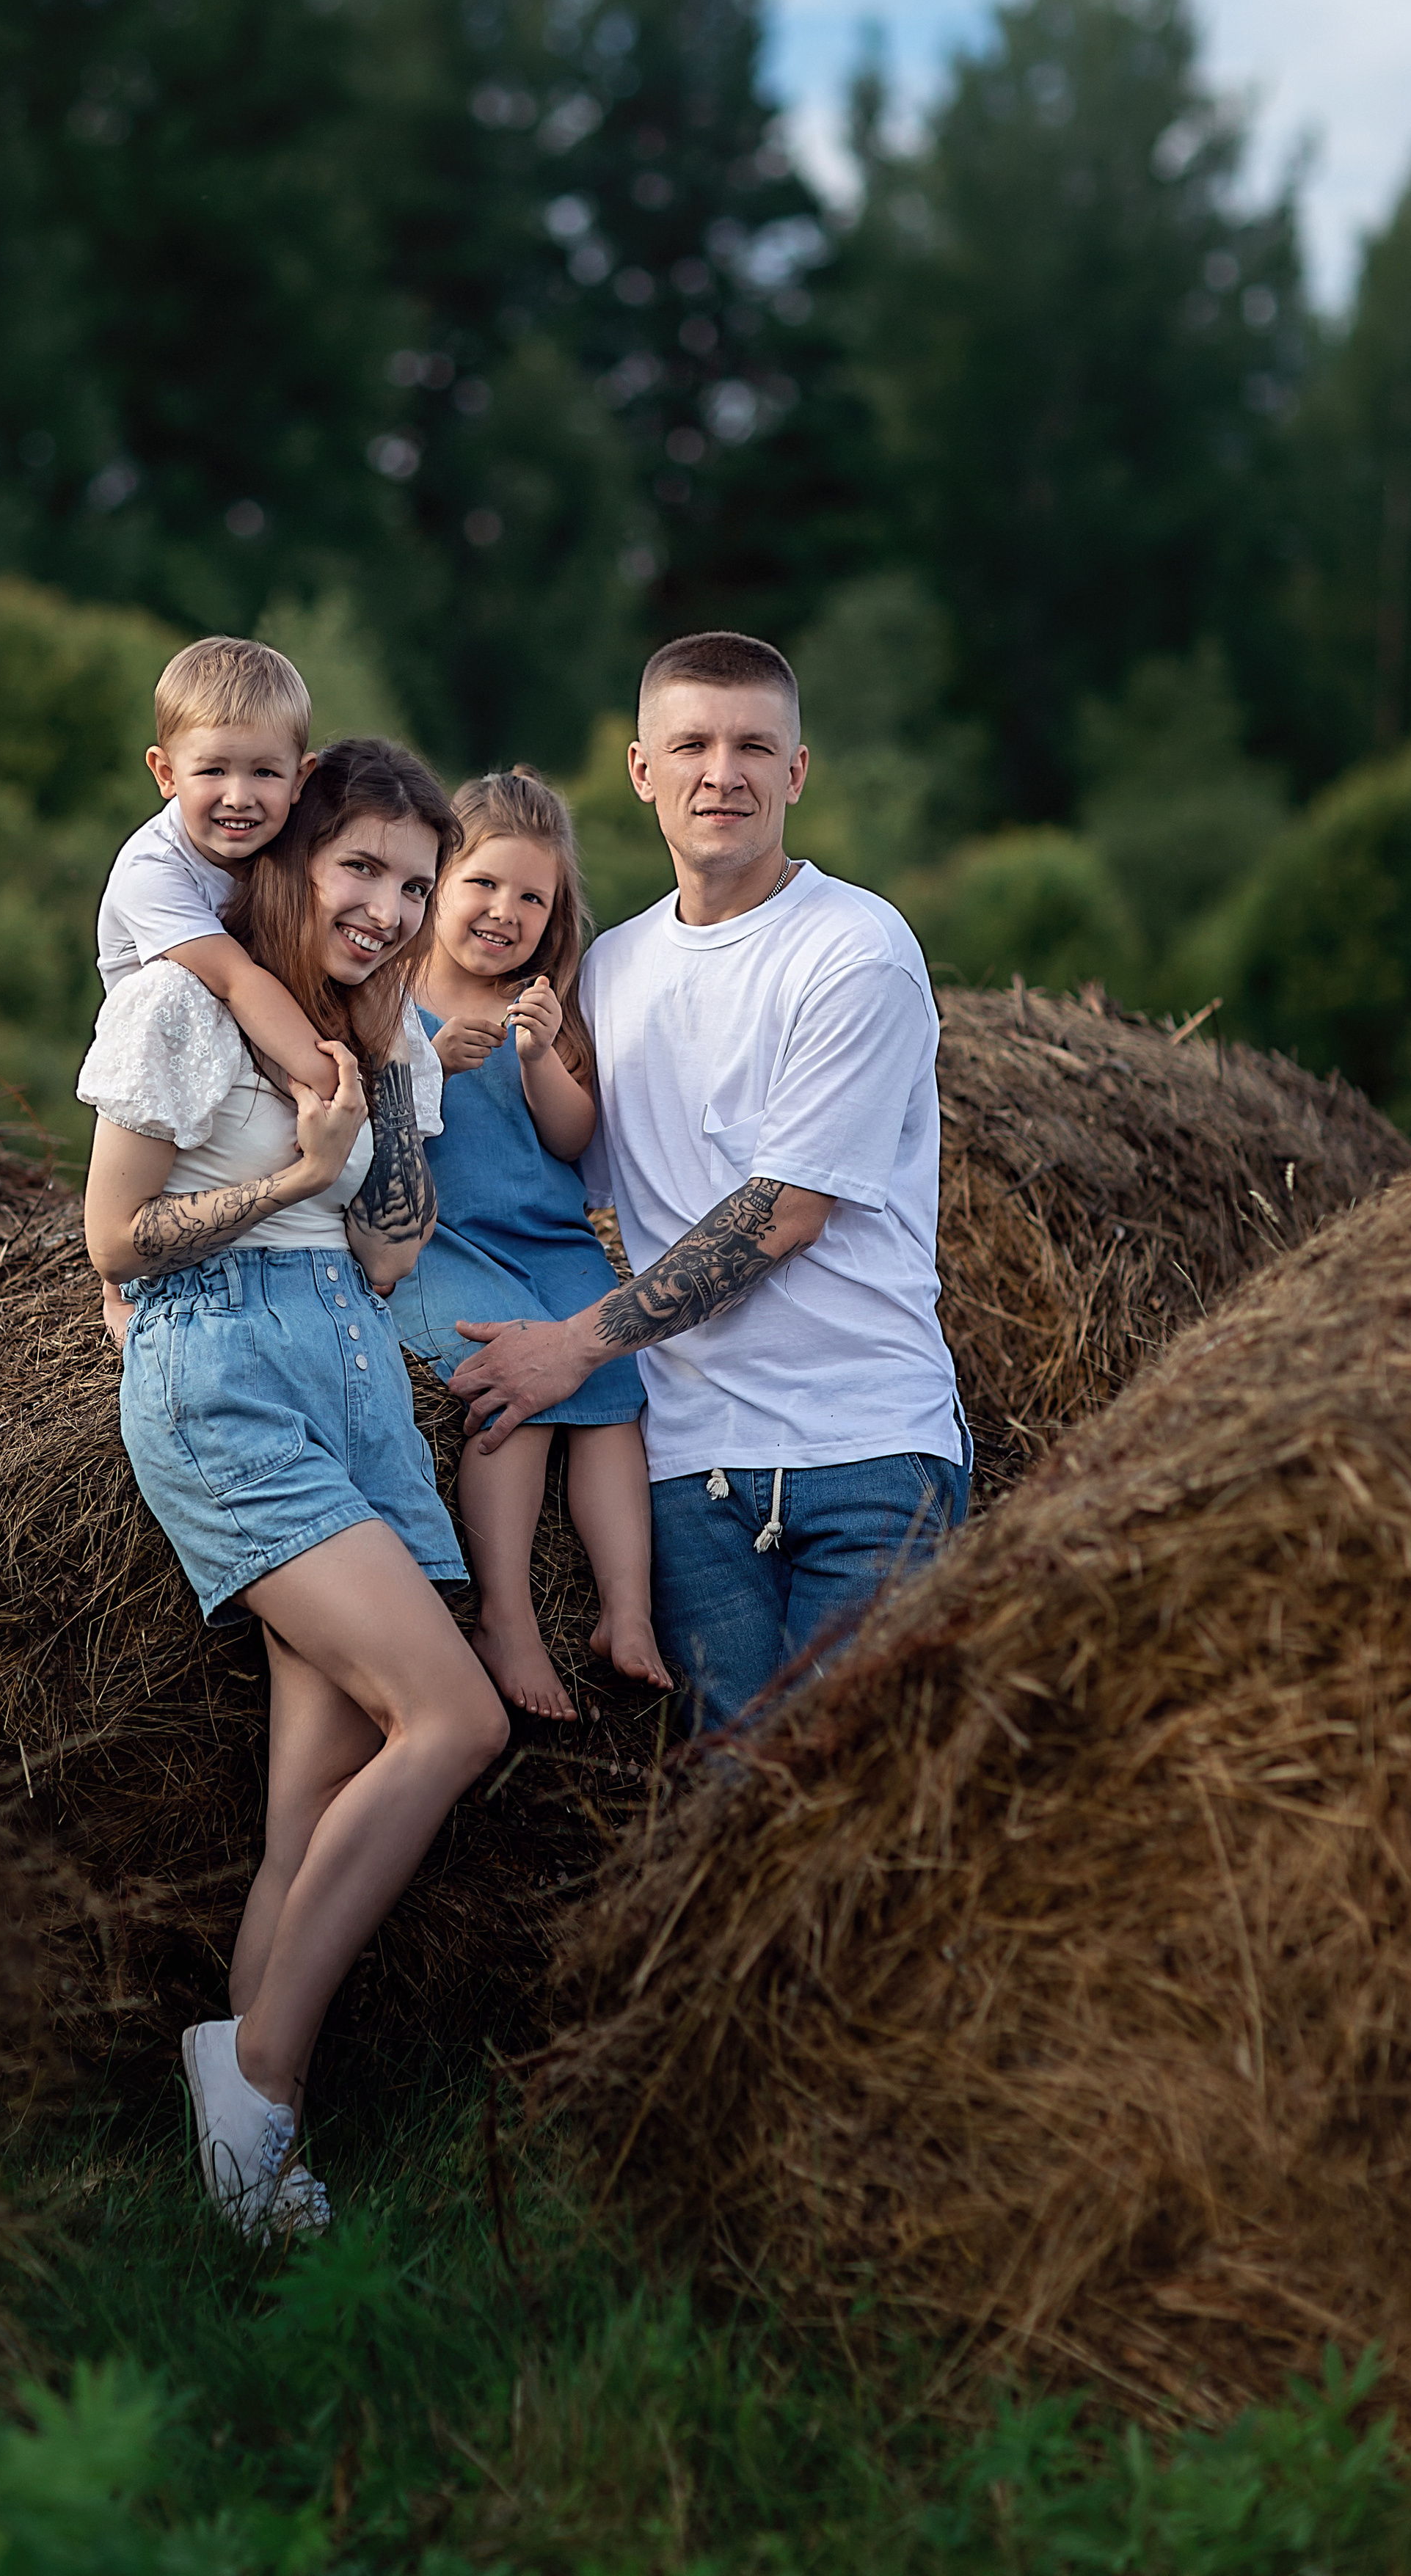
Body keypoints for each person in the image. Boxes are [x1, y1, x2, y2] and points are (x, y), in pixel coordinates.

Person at [80, 738, 509, 2236]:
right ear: (288, 862)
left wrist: (380, 1066)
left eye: (415, 884)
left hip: (352, 1369)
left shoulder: (383, 1034)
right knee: (456, 1718)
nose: (390, 908)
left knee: (312, 1804)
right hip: (227, 1377)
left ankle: (246, 2179)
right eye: (360, 870)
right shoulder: (178, 1006)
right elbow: (115, 1240)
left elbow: (389, 1249)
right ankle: (253, 2074)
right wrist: (286, 1176)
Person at [448, 632, 969, 1737]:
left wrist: (572, 1347)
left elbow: (784, 1214)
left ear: (797, 772)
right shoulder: (610, 970)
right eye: (691, 745)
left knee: (847, 1785)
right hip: (690, 1468)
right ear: (642, 770)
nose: (721, 774)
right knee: (726, 1805)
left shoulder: (855, 949)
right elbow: (552, 1166)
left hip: (865, 1452)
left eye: (753, 748)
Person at [389, 770, 666, 1721]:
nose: (504, 912)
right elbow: (363, 1139)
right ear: (434, 882)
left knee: (616, 1388)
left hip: (551, 1242)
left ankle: (627, 1612)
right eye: (482, 884)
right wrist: (429, 1066)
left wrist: (537, 1055)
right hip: (443, 1246)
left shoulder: (542, 1008)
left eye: (532, 898)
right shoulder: (388, 1002)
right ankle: (506, 1619)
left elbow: (573, 1137)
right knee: (519, 1385)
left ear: (554, 917)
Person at [94, 634, 343, 1343]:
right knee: (146, 1156)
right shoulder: (152, 870)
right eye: (213, 770)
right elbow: (235, 980)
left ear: (301, 777)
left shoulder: (282, 845)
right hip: (162, 1053)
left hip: (247, 1029)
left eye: (265, 772)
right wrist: (327, 1077)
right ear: (164, 772)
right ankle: (117, 1286)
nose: (240, 796)